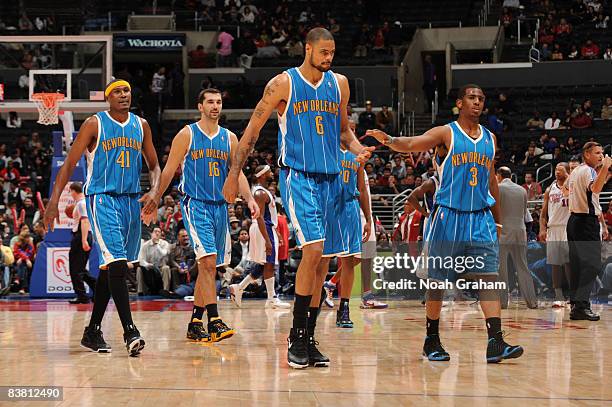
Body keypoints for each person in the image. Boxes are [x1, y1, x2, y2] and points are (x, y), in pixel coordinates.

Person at [221, 27, 373, 369]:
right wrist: (233, 175)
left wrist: (359, 149)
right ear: (307, 49)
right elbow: (252, 132)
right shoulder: (282, 84)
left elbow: (344, 131)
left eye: (332, 52)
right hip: (299, 177)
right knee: (314, 250)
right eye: (323, 52)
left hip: (332, 179)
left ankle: (309, 336)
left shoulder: (341, 84)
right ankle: (295, 336)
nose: (329, 58)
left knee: (321, 264)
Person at [367, 84, 524, 364]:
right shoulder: (445, 132)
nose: (477, 102)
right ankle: (432, 340)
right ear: (460, 103)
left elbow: (490, 181)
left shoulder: (490, 138)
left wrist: (498, 220)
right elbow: (413, 143)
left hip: (480, 217)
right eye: (471, 98)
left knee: (488, 277)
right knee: (437, 281)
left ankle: (495, 341)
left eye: (481, 98)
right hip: (448, 215)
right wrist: (389, 140)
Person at [43, 78, 161, 356]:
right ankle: (130, 332)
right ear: (108, 98)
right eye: (117, 91)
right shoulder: (94, 124)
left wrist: (155, 192)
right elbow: (70, 163)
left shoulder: (141, 125)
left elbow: (155, 166)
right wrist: (53, 201)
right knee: (117, 264)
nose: (123, 95)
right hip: (102, 199)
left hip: (130, 200)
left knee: (111, 268)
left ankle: (92, 331)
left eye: (127, 91)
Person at [141, 88, 258, 343]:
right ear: (200, 106)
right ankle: (214, 320)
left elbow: (237, 174)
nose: (215, 106)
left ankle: (195, 323)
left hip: (219, 207)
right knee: (207, 263)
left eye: (218, 102)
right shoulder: (187, 134)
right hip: (195, 204)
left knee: (210, 268)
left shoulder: (229, 138)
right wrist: (155, 198)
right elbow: (170, 170)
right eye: (210, 102)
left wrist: (249, 198)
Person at [229, 165, 290, 309]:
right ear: (262, 175)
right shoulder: (260, 193)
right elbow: (261, 217)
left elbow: (269, 216)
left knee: (263, 264)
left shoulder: (261, 192)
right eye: (269, 171)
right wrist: (268, 240)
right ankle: (272, 298)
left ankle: (239, 287)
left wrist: (277, 233)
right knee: (269, 263)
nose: (272, 173)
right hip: (263, 228)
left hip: (265, 228)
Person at [566, 142, 611, 320]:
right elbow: (596, 189)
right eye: (597, 153)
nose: (601, 156)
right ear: (587, 155)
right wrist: (606, 168)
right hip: (585, 222)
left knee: (577, 265)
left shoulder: (576, 170)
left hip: (574, 221)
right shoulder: (590, 171)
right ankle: (582, 305)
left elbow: (564, 189)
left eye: (602, 153)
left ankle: (576, 305)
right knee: (592, 265)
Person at [330, 143, 372, 327]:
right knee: (321, 259)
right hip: (329, 207)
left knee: (349, 260)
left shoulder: (358, 155)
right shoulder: (327, 149)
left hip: (351, 208)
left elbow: (361, 189)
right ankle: (312, 303)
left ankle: (344, 308)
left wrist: (368, 219)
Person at [496, 167, 538, 309]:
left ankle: (502, 302)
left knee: (502, 269)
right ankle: (532, 302)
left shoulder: (498, 188)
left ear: (499, 175)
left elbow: (495, 211)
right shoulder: (522, 190)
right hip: (520, 231)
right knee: (523, 267)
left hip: (503, 232)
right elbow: (525, 213)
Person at [539, 163, 572, 308]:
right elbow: (543, 213)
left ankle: (573, 296)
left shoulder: (573, 186)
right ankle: (558, 296)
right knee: (555, 264)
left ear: (567, 171)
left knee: (569, 262)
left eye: (560, 169)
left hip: (568, 227)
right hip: (553, 228)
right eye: (556, 169)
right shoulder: (549, 189)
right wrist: (542, 228)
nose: (557, 172)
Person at [67, 182, 97, 304]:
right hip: (84, 235)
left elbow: (85, 222)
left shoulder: (81, 204)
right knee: (79, 268)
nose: (70, 194)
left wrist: (84, 240)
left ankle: (82, 296)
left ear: (74, 191)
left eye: (70, 191)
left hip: (81, 235)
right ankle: (97, 288)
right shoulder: (84, 203)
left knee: (75, 269)